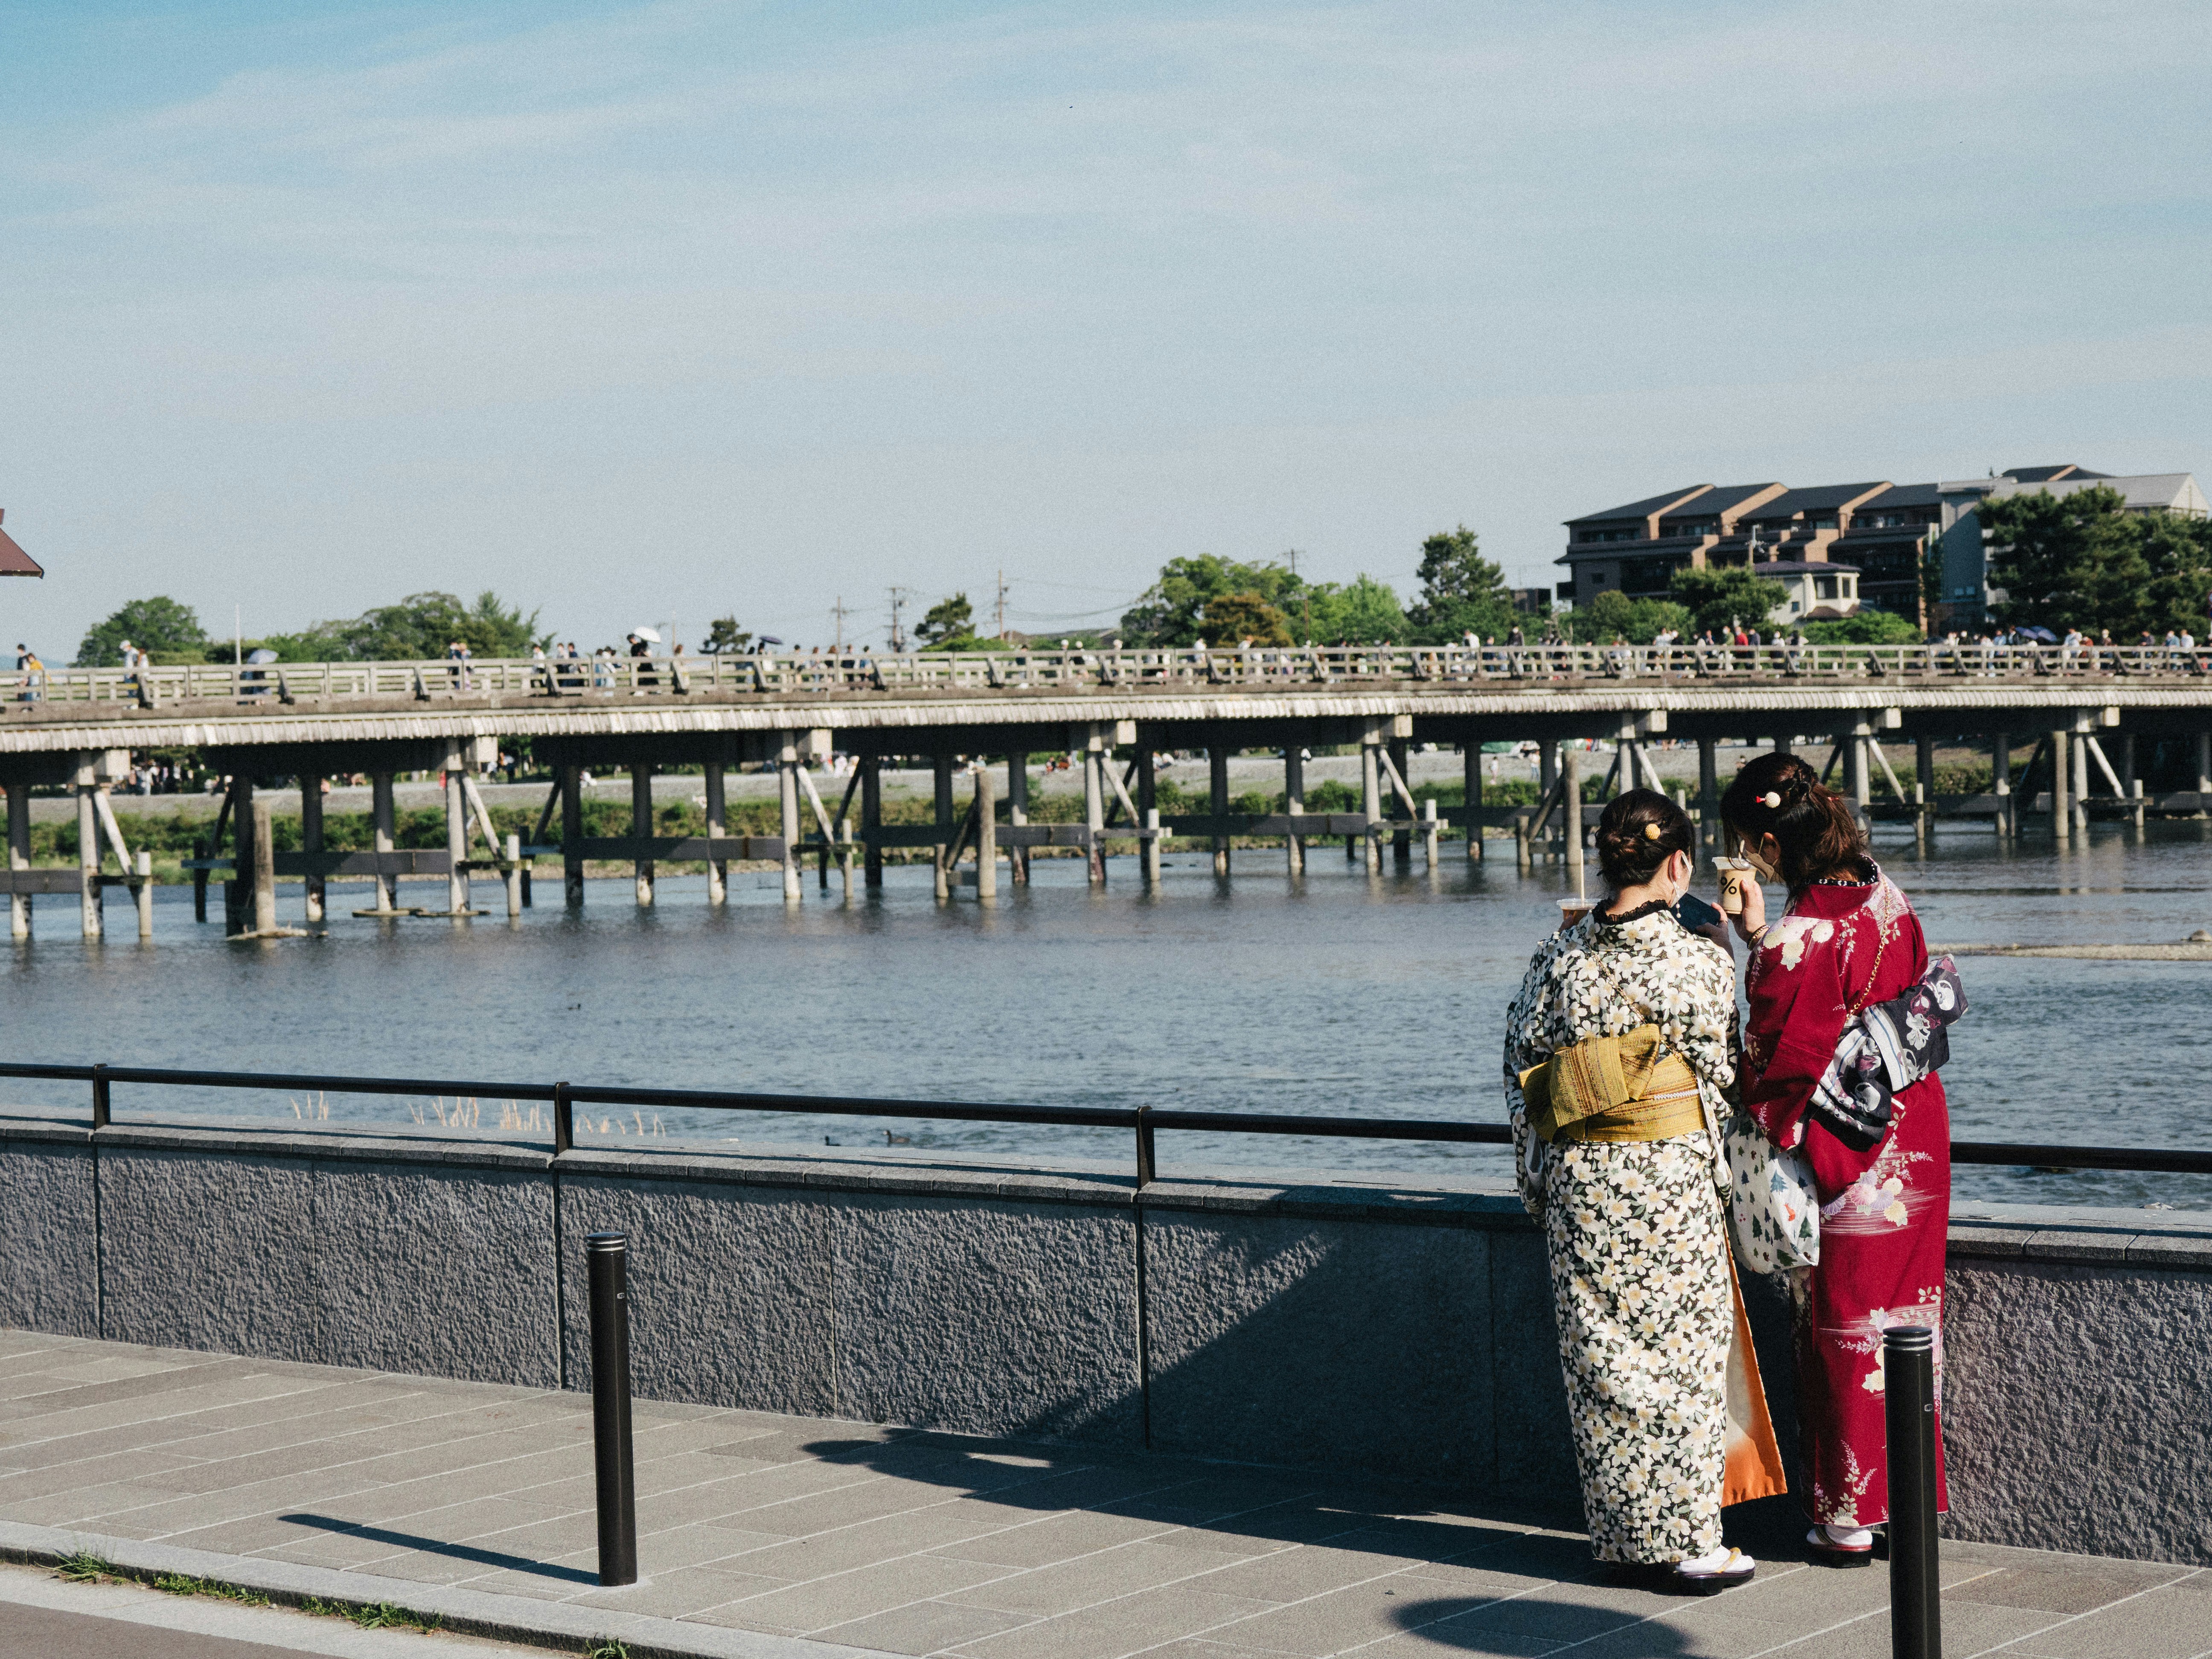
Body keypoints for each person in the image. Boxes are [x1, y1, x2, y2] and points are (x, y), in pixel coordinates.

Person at [1504, 789, 1779, 1592]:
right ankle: (1693, 1539)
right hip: (1669, 1183)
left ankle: (1624, 1539)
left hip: (1585, 1185)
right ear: (1679, 866)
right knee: (1685, 1359)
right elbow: (1728, 1074)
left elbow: (1520, 1075)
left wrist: (1539, 1182)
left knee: (1605, 1367)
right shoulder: (1697, 958)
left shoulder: (1556, 958)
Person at [1720, 752, 1951, 1566]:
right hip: (1914, 1128)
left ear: (1768, 848)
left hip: (1848, 1146)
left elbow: (1771, 1061)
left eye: (1747, 846)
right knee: (1909, 1320)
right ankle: (1904, 1499)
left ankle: (1847, 1516)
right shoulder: (1890, 897)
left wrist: (1752, 944)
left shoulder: (1796, 939)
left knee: (1843, 1325)